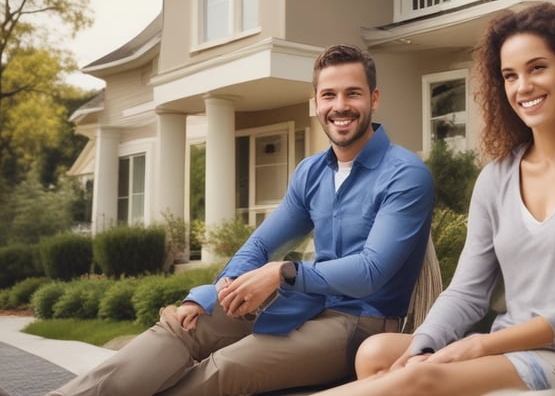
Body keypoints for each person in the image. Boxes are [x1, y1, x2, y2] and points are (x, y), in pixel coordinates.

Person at [313, 3, 555, 396]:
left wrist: (480, 345)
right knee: (376, 353)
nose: (522, 86)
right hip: (506, 352)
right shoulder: (496, 177)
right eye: (509, 75)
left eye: (537, 68)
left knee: (419, 380)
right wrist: (424, 345)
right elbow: (466, 291)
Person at [49, 43, 434, 396]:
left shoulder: (404, 173)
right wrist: (212, 295)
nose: (340, 106)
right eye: (329, 95)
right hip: (304, 301)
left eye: (353, 93)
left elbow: (372, 271)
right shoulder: (311, 172)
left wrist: (284, 273)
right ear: (315, 103)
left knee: (226, 367)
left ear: (374, 98)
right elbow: (262, 245)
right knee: (184, 326)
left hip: (358, 323)